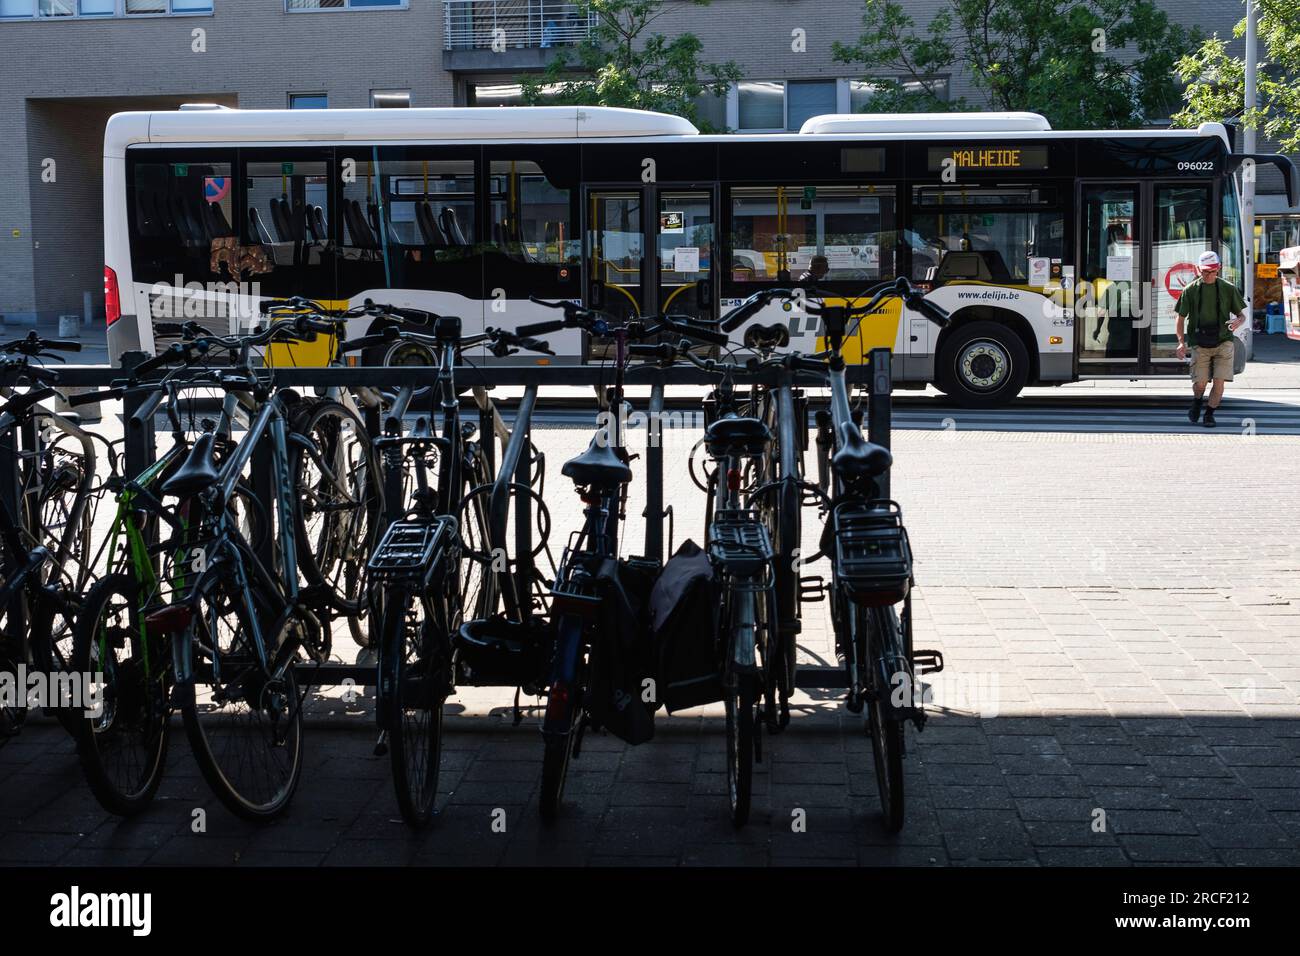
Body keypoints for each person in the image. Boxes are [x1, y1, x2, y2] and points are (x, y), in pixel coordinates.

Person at [1175, 250, 1248, 428]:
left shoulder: (1228, 288)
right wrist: (1181, 343)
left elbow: (1242, 315)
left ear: (1219, 269)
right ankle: (1197, 400)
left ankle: (1209, 414)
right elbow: (1181, 317)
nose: (1209, 275)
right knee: (1199, 384)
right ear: (1198, 269)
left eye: (1213, 271)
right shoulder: (1190, 290)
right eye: (1205, 271)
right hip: (1199, 342)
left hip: (1224, 341)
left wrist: (1239, 321)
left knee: (1219, 381)